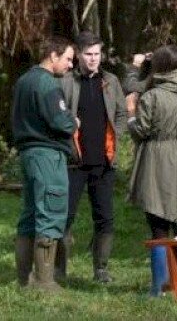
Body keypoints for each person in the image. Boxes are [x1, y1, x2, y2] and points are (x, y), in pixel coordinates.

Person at [126, 44, 177, 298]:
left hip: (160, 162)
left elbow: (140, 130)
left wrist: (131, 115)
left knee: (159, 223)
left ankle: (160, 288)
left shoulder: (152, 97)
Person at [58, 30, 128, 284]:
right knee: (65, 217)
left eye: (97, 54)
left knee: (105, 217)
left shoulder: (110, 81)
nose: (93, 59)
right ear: (78, 54)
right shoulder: (65, 81)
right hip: (74, 162)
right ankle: (57, 271)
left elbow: (121, 113)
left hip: (104, 162)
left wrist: (116, 134)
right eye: (88, 54)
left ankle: (101, 269)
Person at [12, 36, 77, 291]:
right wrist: (73, 121)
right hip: (48, 155)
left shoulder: (24, 80)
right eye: (68, 59)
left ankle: (24, 279)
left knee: (30, 215)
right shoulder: (48, 83)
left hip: (28, 154)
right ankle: (44, 282)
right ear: (53, 56)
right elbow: (61, 122)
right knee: (51, 211)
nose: (70, 65)